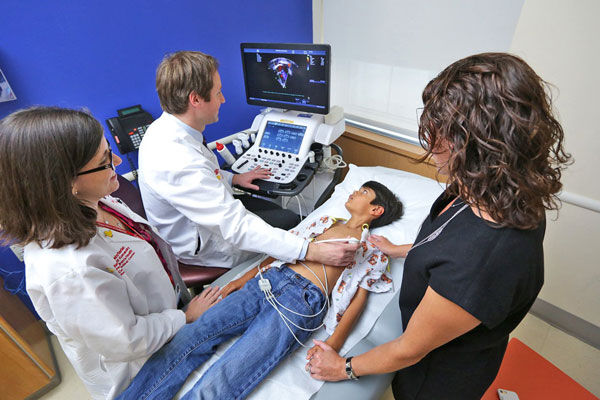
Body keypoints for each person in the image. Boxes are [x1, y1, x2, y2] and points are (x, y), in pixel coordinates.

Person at [306, 53, 572, 399]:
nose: (431, 150)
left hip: (437, 379)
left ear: (477, 145)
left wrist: (343, 368)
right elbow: (444, 241)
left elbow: (409, 349)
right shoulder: (494, 189)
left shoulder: (484, 257)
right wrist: (399, 249)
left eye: (440, 137)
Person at [0, 107, 222, 400]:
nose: (117, 162)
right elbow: (126, 341)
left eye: (110, 151)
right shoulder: (69, 269)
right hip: (141, 371)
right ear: (65, 183)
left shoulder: (97, 202)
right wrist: (185, 318)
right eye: (105, 161)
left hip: (165, 324)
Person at [117, 181, 404, 400]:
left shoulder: (372, 248)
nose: (354, 191)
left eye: (363, 192)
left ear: (376, 210)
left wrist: (333, 346)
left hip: (302, 303)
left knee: (230, 372)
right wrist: (238, 281)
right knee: (192, 335)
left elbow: (358, 298)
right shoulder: (323, 223)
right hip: (267, 281)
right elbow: (281, 251)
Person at [138, 51, 358, 269]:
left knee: (284, 218)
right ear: (195, 99)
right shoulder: (175, 157)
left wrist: (233, 178)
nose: (223, 100)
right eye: (218, 93)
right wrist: (310, 251)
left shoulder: (167, 128)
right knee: (291, 223)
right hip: (204, 245)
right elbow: (235, 226)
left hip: (205, 219)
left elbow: (200, 176)